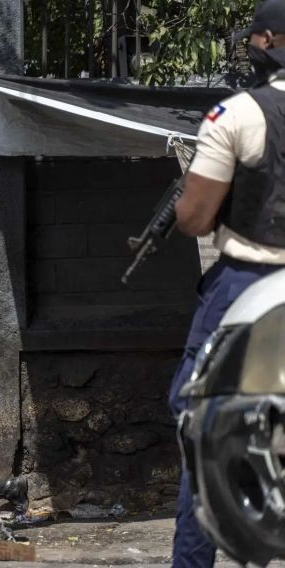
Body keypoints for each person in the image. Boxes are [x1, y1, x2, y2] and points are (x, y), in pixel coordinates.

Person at [169, 3, 285, 566]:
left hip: (250, 286)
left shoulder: (237, 114)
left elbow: (192, 218)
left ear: (267, 40)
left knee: (204, 432)